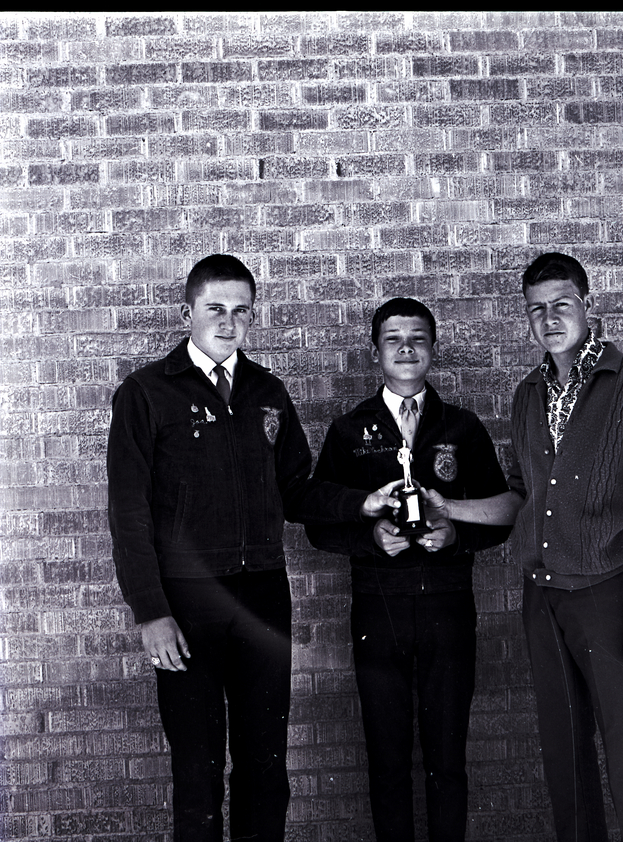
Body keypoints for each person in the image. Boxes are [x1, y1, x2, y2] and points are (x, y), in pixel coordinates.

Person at [106, 255, 396, 842]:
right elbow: (128, 512)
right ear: (187, 313)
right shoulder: (146, 393)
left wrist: (361, 503)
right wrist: (151, 612)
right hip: (188, 603)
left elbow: (296, 489)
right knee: (198, 769)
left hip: (262, 597)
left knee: (265, 765)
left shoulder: (268, 392)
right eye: (215, 308)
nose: (228, 321)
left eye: (241, 311)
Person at [424, 253, 623, 842]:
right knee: (563, 756)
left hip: (611, 594)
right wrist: (450, 508)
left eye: (561, 305)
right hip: (543, 599)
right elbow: (522, 497)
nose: (549, 319)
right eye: (536, 310)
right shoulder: (528, 394)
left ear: (587, 306)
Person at [304, 298, 511, 842]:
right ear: (375, 352)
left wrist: (456, 535)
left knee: (448, 756)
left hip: (448, 606)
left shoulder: (462, 427)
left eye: (417, 338)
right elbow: (317, 522)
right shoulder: (350, 430)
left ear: (433, 349)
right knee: (387, 756)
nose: (406, 348)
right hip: (380, 609)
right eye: (393, 339)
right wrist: (370, 538)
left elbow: (504, 513)